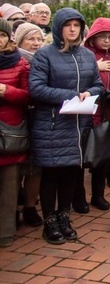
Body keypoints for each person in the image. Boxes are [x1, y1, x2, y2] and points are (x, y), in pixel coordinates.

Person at [28, 8, 103, 244]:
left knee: (72, 172)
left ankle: (64, 216)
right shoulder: (45, 55)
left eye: (77, 25)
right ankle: (50, 220)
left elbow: (98, 84)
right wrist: (70, 95)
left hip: (78, 125)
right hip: (52, 124)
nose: (73, 29)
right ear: (59, 27)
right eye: (68, 25)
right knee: (51, 174)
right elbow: (37, 88)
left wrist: (90, 92)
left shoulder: (87, 56)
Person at [75, 17, 110, 212]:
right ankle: (78, 197)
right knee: (81, 157)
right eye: (102, 37)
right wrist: (96, 66)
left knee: (103, 157)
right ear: (93, 37)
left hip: (109, 112)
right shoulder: (85, 55)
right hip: (87, 112)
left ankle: (98, 195)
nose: (106, 41)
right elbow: (77, 76)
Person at [0, 18, 32, 247]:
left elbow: (29, 95)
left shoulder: (20, 62)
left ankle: (5, 232)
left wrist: (6, 91)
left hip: (10, 131)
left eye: (1, 35)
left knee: (9, 186)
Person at [13, 22, 45, 228]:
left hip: (38, 118)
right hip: (16, 119)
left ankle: (30, 206)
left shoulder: (45, 59)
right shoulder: (12, 59)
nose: (35, 43)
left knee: (35, 167)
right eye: (30, 39)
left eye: (39, 39)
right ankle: (13, 207)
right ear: (19, 41)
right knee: (15, 168)